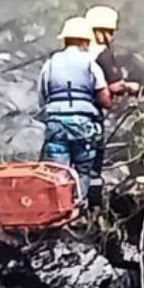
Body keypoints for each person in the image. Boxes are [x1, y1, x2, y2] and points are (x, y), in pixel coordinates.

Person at [37, 16, 113, 206]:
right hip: (83, 127)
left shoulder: (50, 64)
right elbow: (105, 100)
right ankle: (77, 210)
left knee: (57, 171)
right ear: (84, 40)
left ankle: (57, 210)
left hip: (56, 126)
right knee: (83, 171)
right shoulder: (90, 64)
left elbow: (42, 97)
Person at [84, 5, 140, 205]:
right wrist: (131, 87)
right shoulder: (101, 54)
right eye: (110, 31)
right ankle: (91, 207)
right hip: (89, 116)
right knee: (91, 166)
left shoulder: (71, 53)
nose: (112, 36)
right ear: (101, 31)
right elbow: (113, 86)